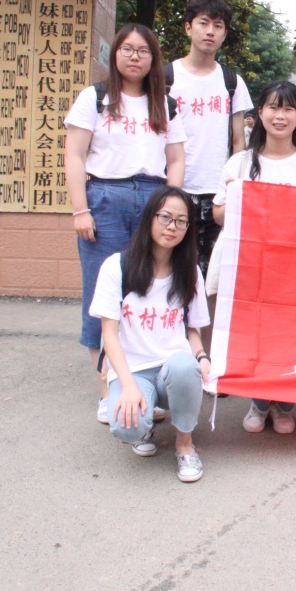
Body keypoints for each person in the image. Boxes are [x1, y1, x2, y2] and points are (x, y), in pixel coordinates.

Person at [65, 23, 186, 425]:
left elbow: (176, 159)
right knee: (102, 292)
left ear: (154, 58)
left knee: (147, 289)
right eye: (128, 49)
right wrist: (80, 210)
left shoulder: (164, 104)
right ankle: (108, 389)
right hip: (105, 198)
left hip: (153, 199)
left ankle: (144, 381)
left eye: (143, 51)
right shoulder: (95, 98)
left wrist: (170, 206)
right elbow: (74, 155)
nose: (135, 57)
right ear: (115, 53)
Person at [209, 81, 296, 434]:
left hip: (293, 268)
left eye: (289, 108)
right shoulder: (240, 162)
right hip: (249, 265)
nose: (280, 116)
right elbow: (218, 215)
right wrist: (237, 196)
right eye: (273, 107)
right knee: (255, 333)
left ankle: (285, 404)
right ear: (260, 113)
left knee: (291, 335)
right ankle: (259, 403)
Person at [90, 186, 210, 483]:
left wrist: (202, 358)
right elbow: (109, 334)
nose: (172, 227)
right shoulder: (116, 267)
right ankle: (143, 429)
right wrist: (128, 386)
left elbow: (191, 329)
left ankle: (185, 445)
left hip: (172, 367)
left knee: (184, 366)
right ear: (150, 218)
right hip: (134, 371)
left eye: (181, 221)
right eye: (165, 217)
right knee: (126, 426)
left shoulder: (190, 272)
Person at [165, 0, 253, 288]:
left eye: (218, 26)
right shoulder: (165, 78)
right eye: (203, 23)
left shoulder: (231, 81)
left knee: (212, 278)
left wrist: (234, 187)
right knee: (172, 272)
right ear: (188, 27)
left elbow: (239, 141)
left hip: (217, 193)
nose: (210, 31)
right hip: (175, 188)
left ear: (225, 34)